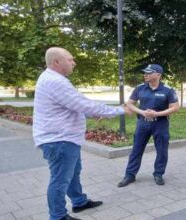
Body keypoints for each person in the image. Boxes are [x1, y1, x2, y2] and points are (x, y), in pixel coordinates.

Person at [33, 47, 131, 220]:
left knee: (73, 173)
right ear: (57, 62)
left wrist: (90, 112)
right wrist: (120, 110)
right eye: (70, 59)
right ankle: (58, 216)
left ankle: (79, 201)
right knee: (60, 180)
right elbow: (84, 104)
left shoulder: (52, 78)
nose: (74, 63)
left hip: (65, 138)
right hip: (59, 140)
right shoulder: (55, 81)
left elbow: (72, 105)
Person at [118, 64, 179, 187]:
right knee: (136, 149)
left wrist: (157, 113)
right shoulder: (140, 88)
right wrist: (142, 112)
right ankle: (130, 175)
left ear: (158, 75)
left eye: (149, 73)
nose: (145, 75)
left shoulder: (168, 90)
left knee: (162, 150)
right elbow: (130, 104)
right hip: (143, 123)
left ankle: (158, 174)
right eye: (145, 73)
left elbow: (175, 107)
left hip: (160, 124)